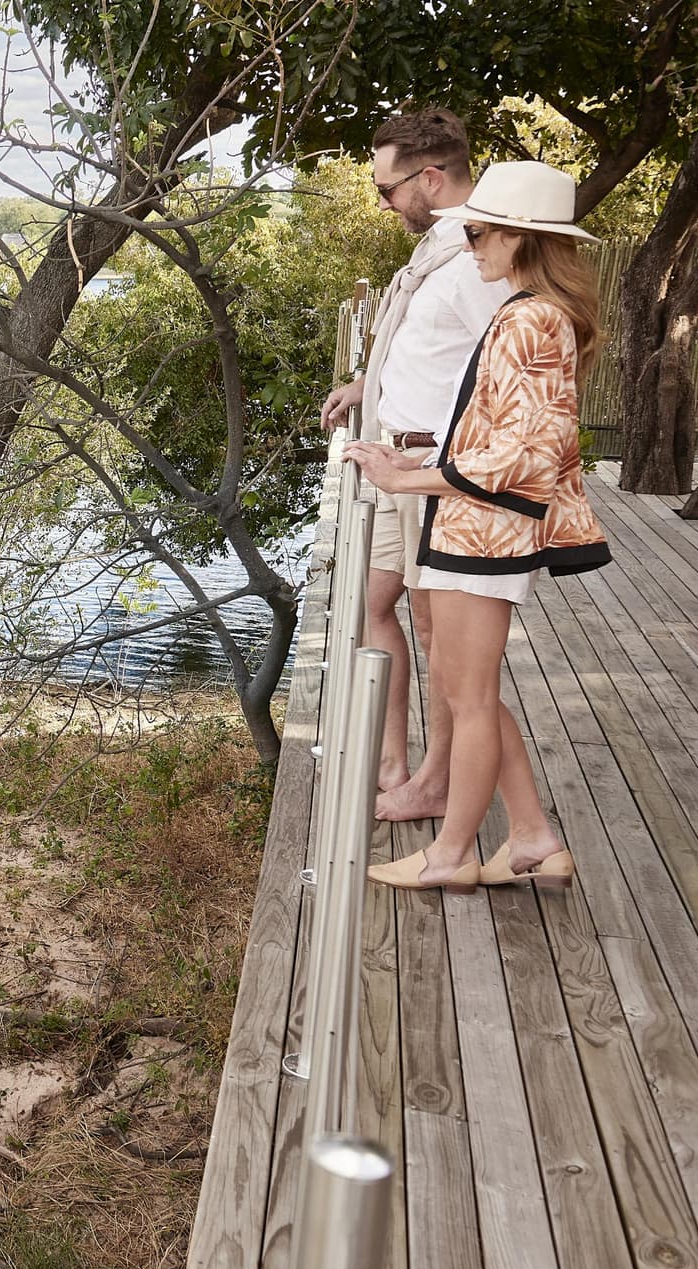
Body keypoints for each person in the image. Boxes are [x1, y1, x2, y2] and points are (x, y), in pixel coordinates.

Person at [351, 160, 612, 892]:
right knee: (475, 695)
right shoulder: (527, 310)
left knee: (468, 699)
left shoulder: (532, 319)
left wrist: (407, 476)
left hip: (485, 535)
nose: (469, 243)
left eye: (478, 230)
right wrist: (413, 463)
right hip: (473, 529)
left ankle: (452, 854)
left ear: (519, 237)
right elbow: (498, 439)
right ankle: (530, 837)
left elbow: (519, 460)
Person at [320, 108, 512, 822]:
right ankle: (393, 757)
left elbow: (505, 367)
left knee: (437, 632)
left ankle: (435, 778)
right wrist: (366, 383)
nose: (384, 202)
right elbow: (433, 350)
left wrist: (453, 460)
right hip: (396, 464)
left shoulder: (476, 257)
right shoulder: (439, 251)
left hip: (432, 471)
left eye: (387, 188)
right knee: (373, 602)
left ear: (431, 177)